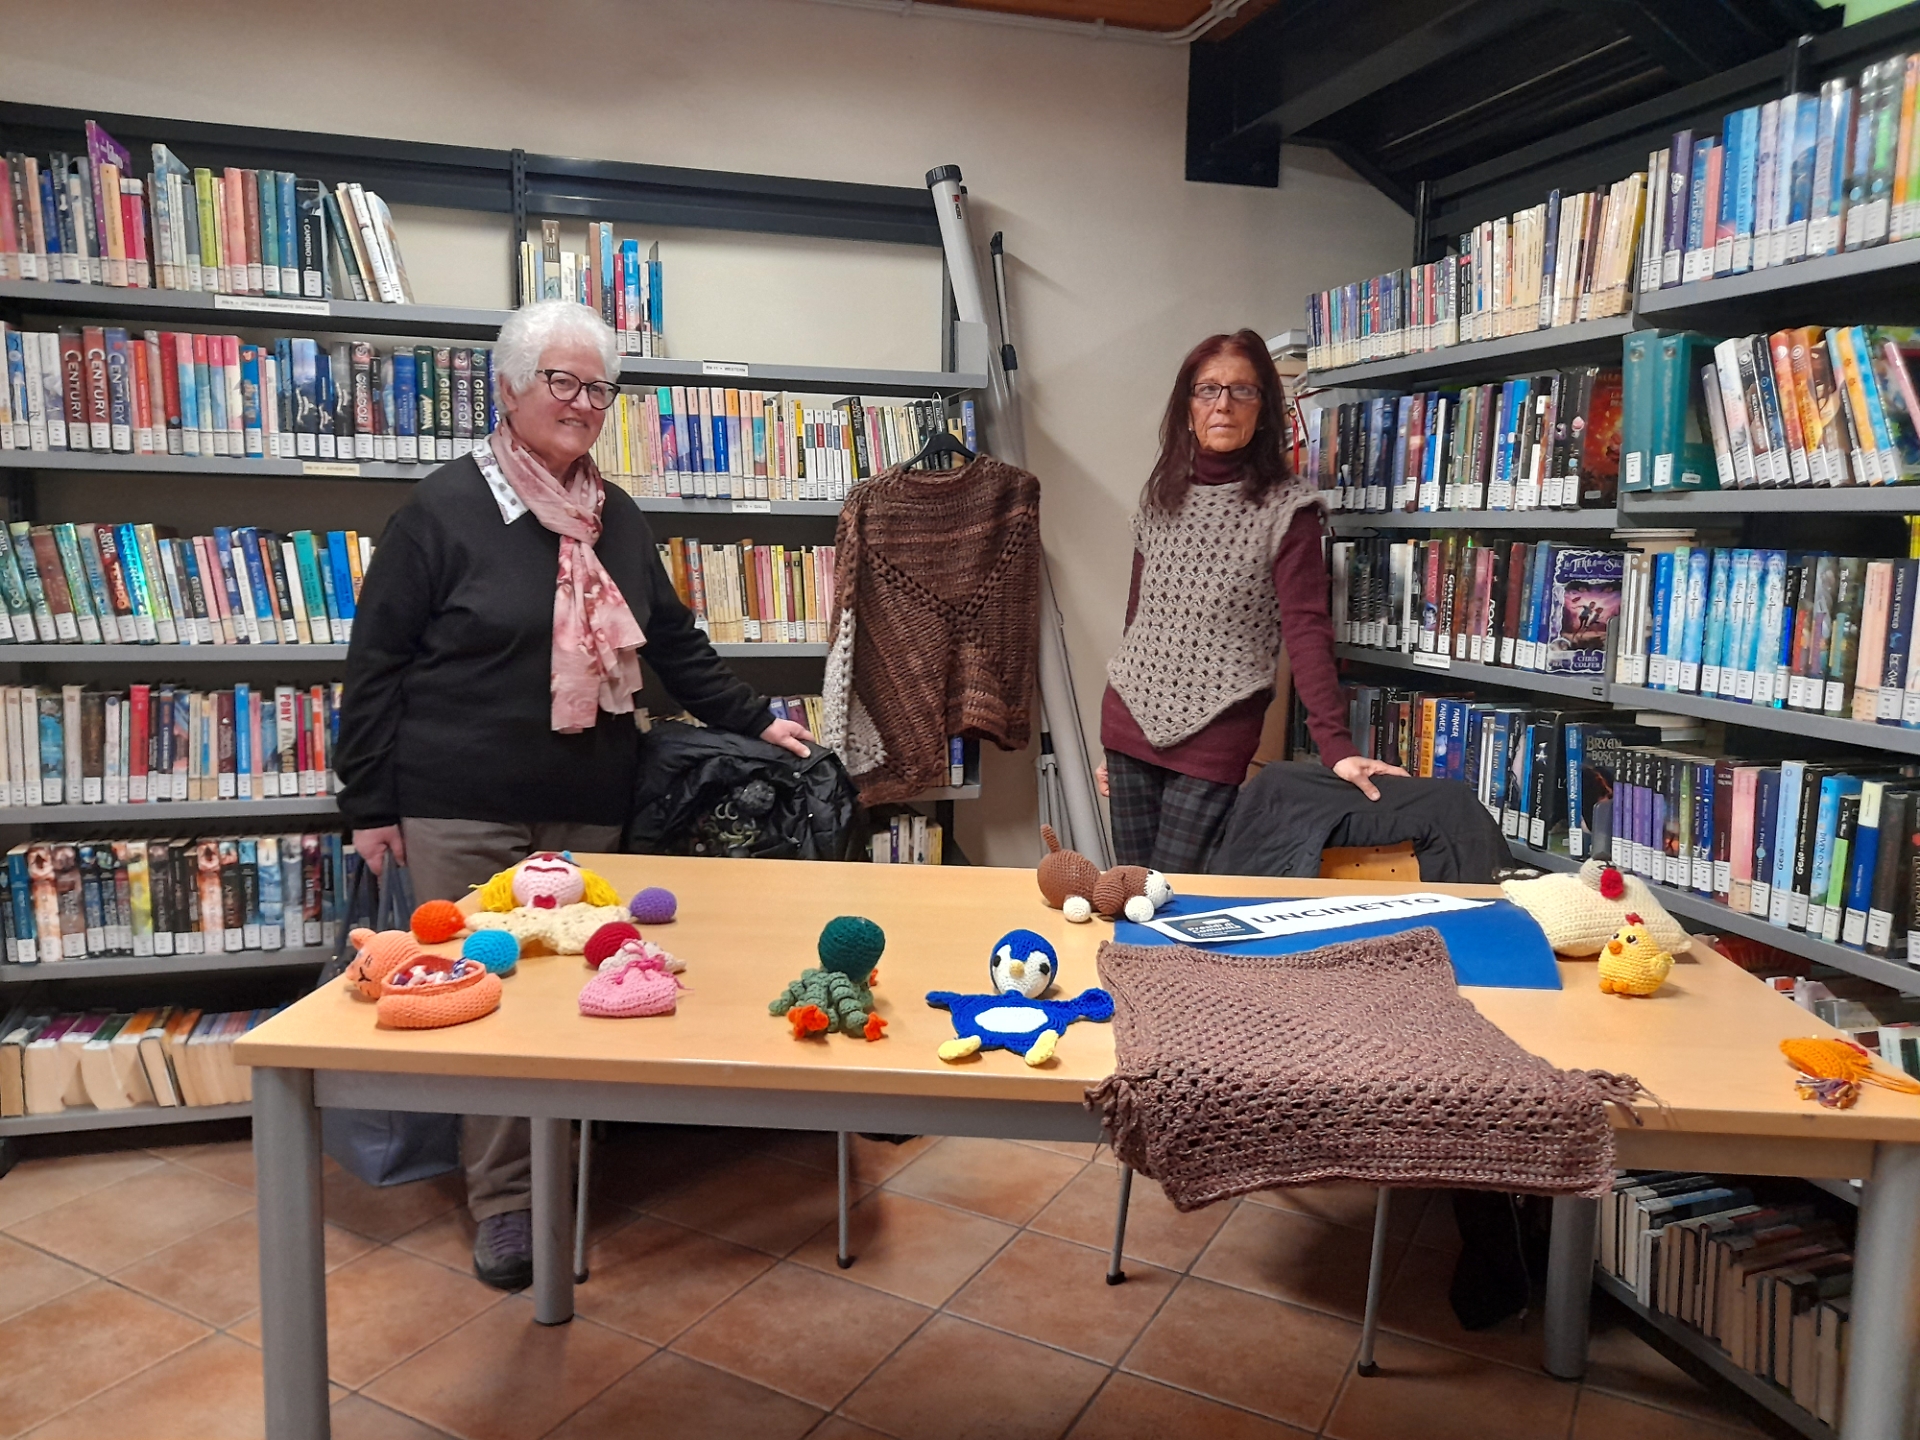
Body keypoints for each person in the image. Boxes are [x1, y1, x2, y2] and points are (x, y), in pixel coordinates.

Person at [334, 299, 811, 1291]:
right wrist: (369, 804)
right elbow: (375, 667)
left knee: (583, 994)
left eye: (598, 388)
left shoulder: (615, 517)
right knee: (484, 1003)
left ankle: (569, 1166)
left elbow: (672, 641)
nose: (583, 403)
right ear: (508, 388)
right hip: (462, 804)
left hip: (592, 803)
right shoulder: (439, 512)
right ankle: (509, 1205)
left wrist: (755, 719)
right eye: (562, 381)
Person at [1099, 328, 1405, 871]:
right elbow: (1139, 617)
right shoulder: (1161, 495)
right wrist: (1118, 740)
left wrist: (1336, 747)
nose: (1223, 404)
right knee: (1128, 892)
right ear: (1187, 407)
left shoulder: (1289, 511)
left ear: (1263, 411)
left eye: (1242, 390)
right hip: (1128, 722)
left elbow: (1307, 631)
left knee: (1176, 893)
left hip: (1217, 728)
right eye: (1207, 390)